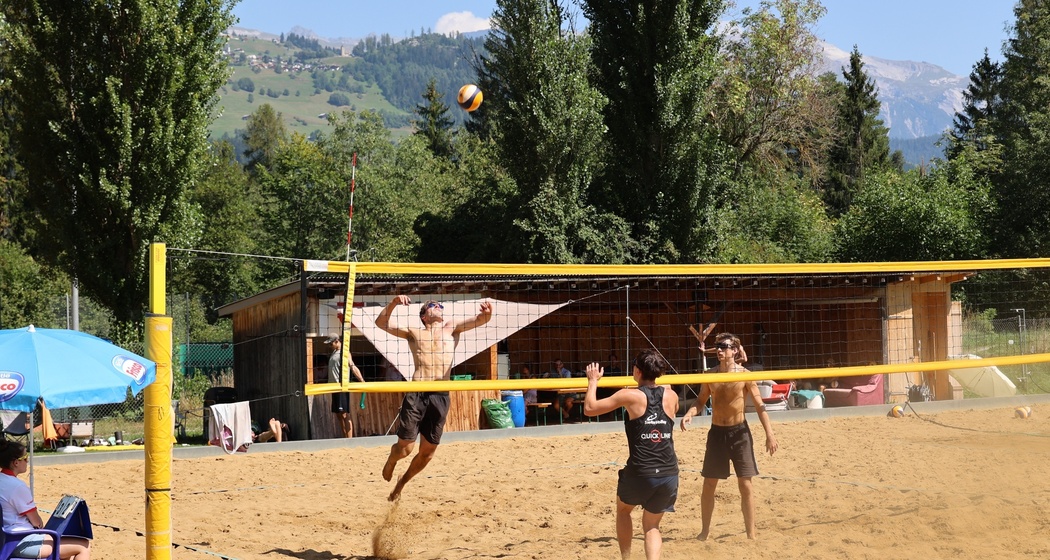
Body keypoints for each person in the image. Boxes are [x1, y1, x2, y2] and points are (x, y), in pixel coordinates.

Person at [375, 295, 493, 501]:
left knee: (427, 453)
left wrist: (487, 314)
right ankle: (392, 460)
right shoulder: (414, 332)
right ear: (424, 316)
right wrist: (393, 303)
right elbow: (381, 323)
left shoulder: (452, 328)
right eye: (433, 305)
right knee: (405, 449)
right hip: (417, 392)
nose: (438, 307)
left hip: (440, 395)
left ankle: (401, 483)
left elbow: (480, 320)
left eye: (440, 305)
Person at [680, 333, 778, 541]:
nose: (719, 350)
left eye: (724, 346)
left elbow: (760, 406)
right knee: (709, 484)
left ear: (734, 350)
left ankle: (751, 534)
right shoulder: (710, 374)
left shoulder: (744, 375)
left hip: (739, 432)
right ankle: (704, 532)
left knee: (745, 485)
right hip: (717, 433)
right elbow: (700, 400)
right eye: (717, 346)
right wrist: (689, 413)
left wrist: (769, 434)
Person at [583, 350, 679, 560]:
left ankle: (626, 558)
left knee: (624, 510)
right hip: (669, 473)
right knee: (652, 525)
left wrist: (593, 381)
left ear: (637, 371)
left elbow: (589, 408)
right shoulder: (671, 396)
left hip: (641, 471)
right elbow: (667, 395)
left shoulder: (629, 395)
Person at [0, 441, 91, 559]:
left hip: (6, 539)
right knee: (84, 546)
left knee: (63, 546)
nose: (27, 461)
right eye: (25, 458)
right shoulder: (18, 487)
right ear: (16, 462)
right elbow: (36, 523)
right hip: (22, 541)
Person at [327, 333, 365, 438]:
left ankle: (350, 440)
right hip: (334, 388)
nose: (329, 346)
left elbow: (353, 367)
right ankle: (344, 438)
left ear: (336, 341)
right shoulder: (334, 352)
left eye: (330, 344)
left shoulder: (345, 352)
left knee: (344, 414)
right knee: (338, 414)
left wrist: (362, 380)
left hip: (341, 387)